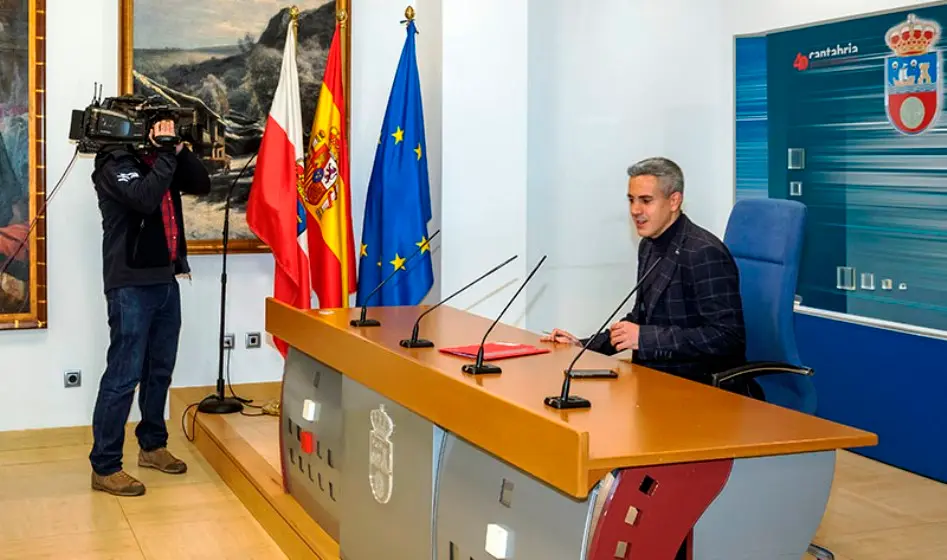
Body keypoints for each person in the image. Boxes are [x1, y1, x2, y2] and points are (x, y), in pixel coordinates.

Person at [541, 157, 746, 384]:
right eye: (631, 200)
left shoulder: (703, 252)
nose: (635, 210)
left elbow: (728, 337)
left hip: (697, 384)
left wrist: (645, 338)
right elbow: (639, 319)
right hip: (653, 378)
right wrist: (584, 346)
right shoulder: (649, 244)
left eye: (646, 200)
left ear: (674, 201)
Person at [89, 119, 211, 496]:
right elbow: (144, 198)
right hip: (129, 285)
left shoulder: (157, 160)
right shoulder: (113, 163)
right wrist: (162, 155)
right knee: (123, 376)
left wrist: (177, 150)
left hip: (165, 280)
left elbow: (201, 184)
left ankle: (152, 445)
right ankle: (106, 466)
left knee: (160, 370)